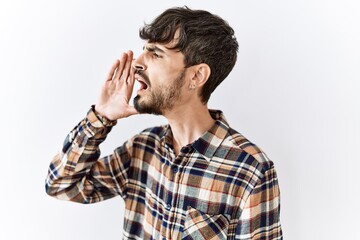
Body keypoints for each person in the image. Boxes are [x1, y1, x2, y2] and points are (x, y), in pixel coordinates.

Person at [45, 6, 282, 239]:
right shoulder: (142, 148)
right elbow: (61, 185)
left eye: (156, 53)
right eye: (144, 50)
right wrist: (101, 117)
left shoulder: (251, 170)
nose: (137, 62)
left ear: (197, 76)